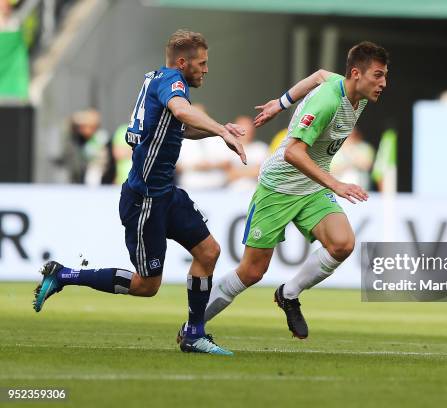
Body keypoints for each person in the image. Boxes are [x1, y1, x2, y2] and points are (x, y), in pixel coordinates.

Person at [33, 29, 246, 355]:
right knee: (147, 286)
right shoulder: (173, 83)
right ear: (182, 62)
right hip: (145, 199)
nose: (205, 69)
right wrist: (220, 129)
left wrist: (219, 134)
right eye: (201, 63)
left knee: (208, 252)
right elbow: (182, 111)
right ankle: (65, 274)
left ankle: (194, 333)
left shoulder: (157, 79)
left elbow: (181, 127)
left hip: (165, 193)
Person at [202, 41, 389, 339]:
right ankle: (193, 326)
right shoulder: (328, 101)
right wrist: (336, 184)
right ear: (356, 73)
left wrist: (281, 102)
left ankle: (289, 294)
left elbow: (318, 74)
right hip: (279, 186)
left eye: (384, 76)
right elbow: (292, 153)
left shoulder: (355, 92)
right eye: (378, 75)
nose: (383, 83)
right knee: (251, 272)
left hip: (311, 186)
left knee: (342, 243)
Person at [225, 115, 269, 192]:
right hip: (231, 192)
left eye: (248, 128)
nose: (246, 131)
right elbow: (227, 174)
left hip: (255, 192)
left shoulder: (261, 148)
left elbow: (262, 172)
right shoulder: (227, 148)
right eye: (242, 128)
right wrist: (252, 171)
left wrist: (237, 172)